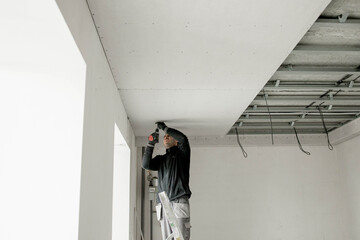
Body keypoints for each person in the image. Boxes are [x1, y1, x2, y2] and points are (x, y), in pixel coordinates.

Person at [142, 122, 192, 240]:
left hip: (178, 200)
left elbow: (183, 138)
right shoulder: (161, 160)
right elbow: (145, 164)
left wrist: (165, 128)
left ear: (176, 142)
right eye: (164, 136)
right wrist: (150, 144)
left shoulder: (182, 154)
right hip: (164, 203)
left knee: (181, 237)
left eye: (169, 135)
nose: (165, 136)